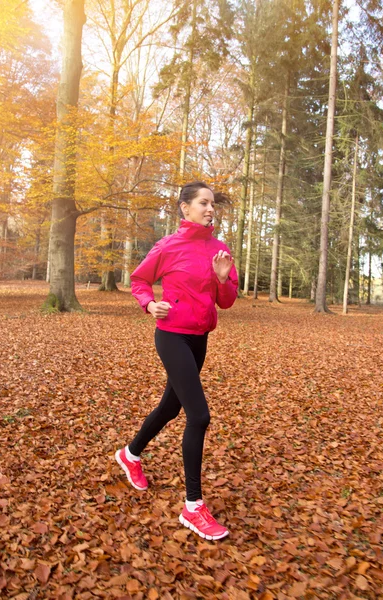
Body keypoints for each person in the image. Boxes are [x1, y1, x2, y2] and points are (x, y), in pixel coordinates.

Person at [115, 181, 238, 541]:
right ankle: (193, 506)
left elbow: (227, 301)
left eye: (212, 204)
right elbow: (139, 281)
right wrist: (150, 304)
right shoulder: (168, 246)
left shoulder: (220, 250)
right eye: (203, 203)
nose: (210, 209)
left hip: (199, 339)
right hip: (170, 335)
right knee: (198, 415)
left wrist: (221, 279)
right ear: (185, 208)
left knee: (170, 408)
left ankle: (130, 453)